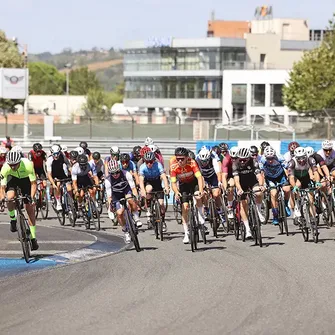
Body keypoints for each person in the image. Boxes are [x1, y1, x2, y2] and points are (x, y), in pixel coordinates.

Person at [0, 151, 39, 250]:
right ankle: (13, 219)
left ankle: (33, 237)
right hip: (12, 179)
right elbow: (2, 187)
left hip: (25, 180)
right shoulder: (5, 168)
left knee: (30, 209)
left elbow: (34, 184)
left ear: (19, 162)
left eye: (15, 165)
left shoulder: (27, 165)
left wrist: (32, 196)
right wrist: (1, 198)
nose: (12, 167)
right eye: (11, 165)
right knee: (9, 198)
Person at [170, 147, 204, 244]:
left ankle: (201, 215)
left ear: (186, 158)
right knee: (185, 207)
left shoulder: (192, 163)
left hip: (194, 183)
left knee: (197, 196)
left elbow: (199, 177)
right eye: (178, 159)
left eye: (182, 159)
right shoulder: (173, 167)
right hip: (183, 185)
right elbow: (173, 183)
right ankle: (186, 233)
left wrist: (201, 190)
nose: (180, 161)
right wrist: (176, 192)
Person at [233, 147, 265, 238]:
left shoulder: (253, 161)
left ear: (248, 158)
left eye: (244, 160)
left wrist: (262, 185)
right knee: (244, 204)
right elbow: (236, 180)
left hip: (252, 181)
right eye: (241, 160)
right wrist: (239, 189)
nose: (242, 162)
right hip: (241, 184)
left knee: (258, 193)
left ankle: (258, 211)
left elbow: (259, 175)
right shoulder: (235, 164)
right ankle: (247, 229)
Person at [105, 160, 142, 235]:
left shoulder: (126, 174)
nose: (115, 175)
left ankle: (136, 218)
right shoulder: (108, 180)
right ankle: (125, 229)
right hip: (116, 194)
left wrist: (136, 199)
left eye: (117, 172)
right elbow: (109, 197)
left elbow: (133, 188)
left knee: (130, 200)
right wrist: (109, 209)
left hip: (126, 190)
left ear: (119, 169)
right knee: (119, 213)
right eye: (112, 173)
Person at [287, 147, 319, 223]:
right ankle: (297, 207)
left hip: (305, 177)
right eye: (299, 158)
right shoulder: (292, 162)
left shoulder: (310, 160)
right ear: (295, 157)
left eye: (303, 158)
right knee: (298, 186)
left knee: (310, 197)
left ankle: (312, 217)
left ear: (306, 156)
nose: (301, 160)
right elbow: (291, 177)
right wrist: (294, 187)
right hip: (295, 177)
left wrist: (317, 181)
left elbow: (315, 172)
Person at [139, 151, 169, 230]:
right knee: (149, 189)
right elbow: (141, 181)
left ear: (154, 161)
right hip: (148, 181)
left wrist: (166, 187)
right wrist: (142, 190)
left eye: (151, 162)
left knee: (161, 203)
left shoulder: (158, 165)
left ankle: (162, 221)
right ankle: (149, 209)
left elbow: (164, 177)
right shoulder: (142, 167)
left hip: (157, 182)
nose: (149, 164)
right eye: (147, 162)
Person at [261, 146, 291, 225]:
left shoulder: (280, 157)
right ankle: (275, 215)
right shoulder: (263, 160)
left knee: (287, 189)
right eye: (268, 159)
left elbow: (287, 169)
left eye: (272, 158)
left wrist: (289, 178)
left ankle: (286, 204)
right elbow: (261, 173)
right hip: (270, 178)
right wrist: (263, 184)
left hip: (280, 176)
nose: (270, 161)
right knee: (273, 193)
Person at [46, 144, 71, 211]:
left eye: (57, 154)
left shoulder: (63, 156)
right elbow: (49, 174)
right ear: (51, 154)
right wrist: (53, 184)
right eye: (54, 154)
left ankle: (70, 203)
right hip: (53, 174)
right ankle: (58, 202)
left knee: (69, 188)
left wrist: (71, 172)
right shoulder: (49, 160)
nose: (56, 156)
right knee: (58, 185)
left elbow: (68, 165)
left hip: (61, 172)